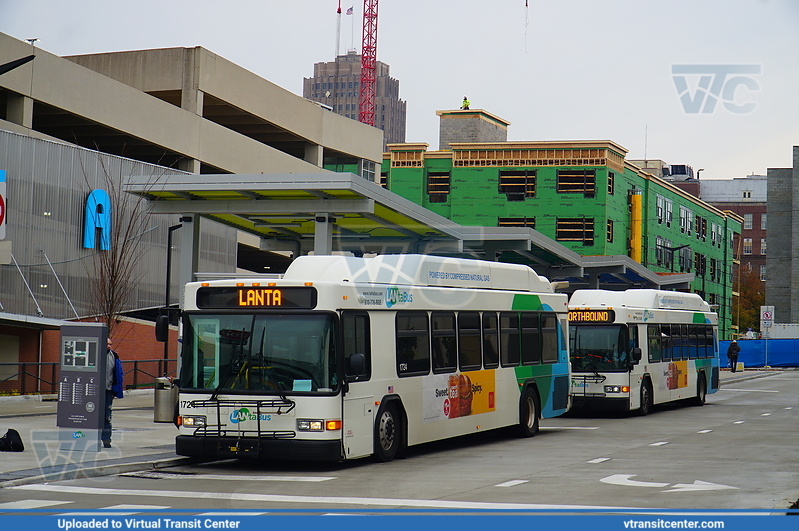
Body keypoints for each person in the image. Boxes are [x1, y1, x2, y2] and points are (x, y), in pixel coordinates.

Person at [103, 336, 124, 448]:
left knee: (107, 416)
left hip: (108, 391)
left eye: (110, 344)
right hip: (96, 392)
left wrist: (115, 391)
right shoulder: (96, 355)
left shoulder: (114, 356)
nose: (109, 346)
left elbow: (118, 375)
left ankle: (106, 440)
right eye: (107, 344)